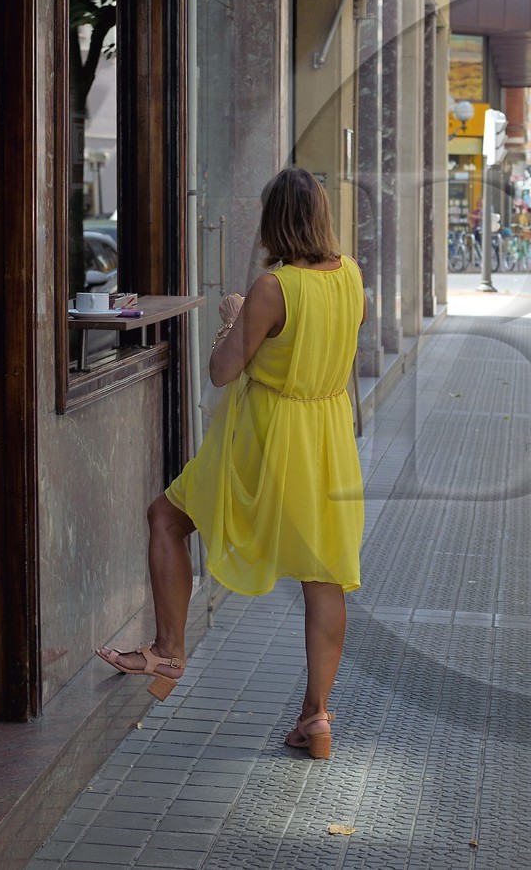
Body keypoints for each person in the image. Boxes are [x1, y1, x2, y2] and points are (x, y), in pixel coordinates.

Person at [95, 168, 365, 760]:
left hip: (267, 442)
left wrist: (236, 318)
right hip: (328, 441)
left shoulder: (276, 286)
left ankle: (168, 649)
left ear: (275, 221)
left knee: (165, 517)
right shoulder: (351, 276)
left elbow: (222, 370)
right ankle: (316, 717)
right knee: (326, 576)